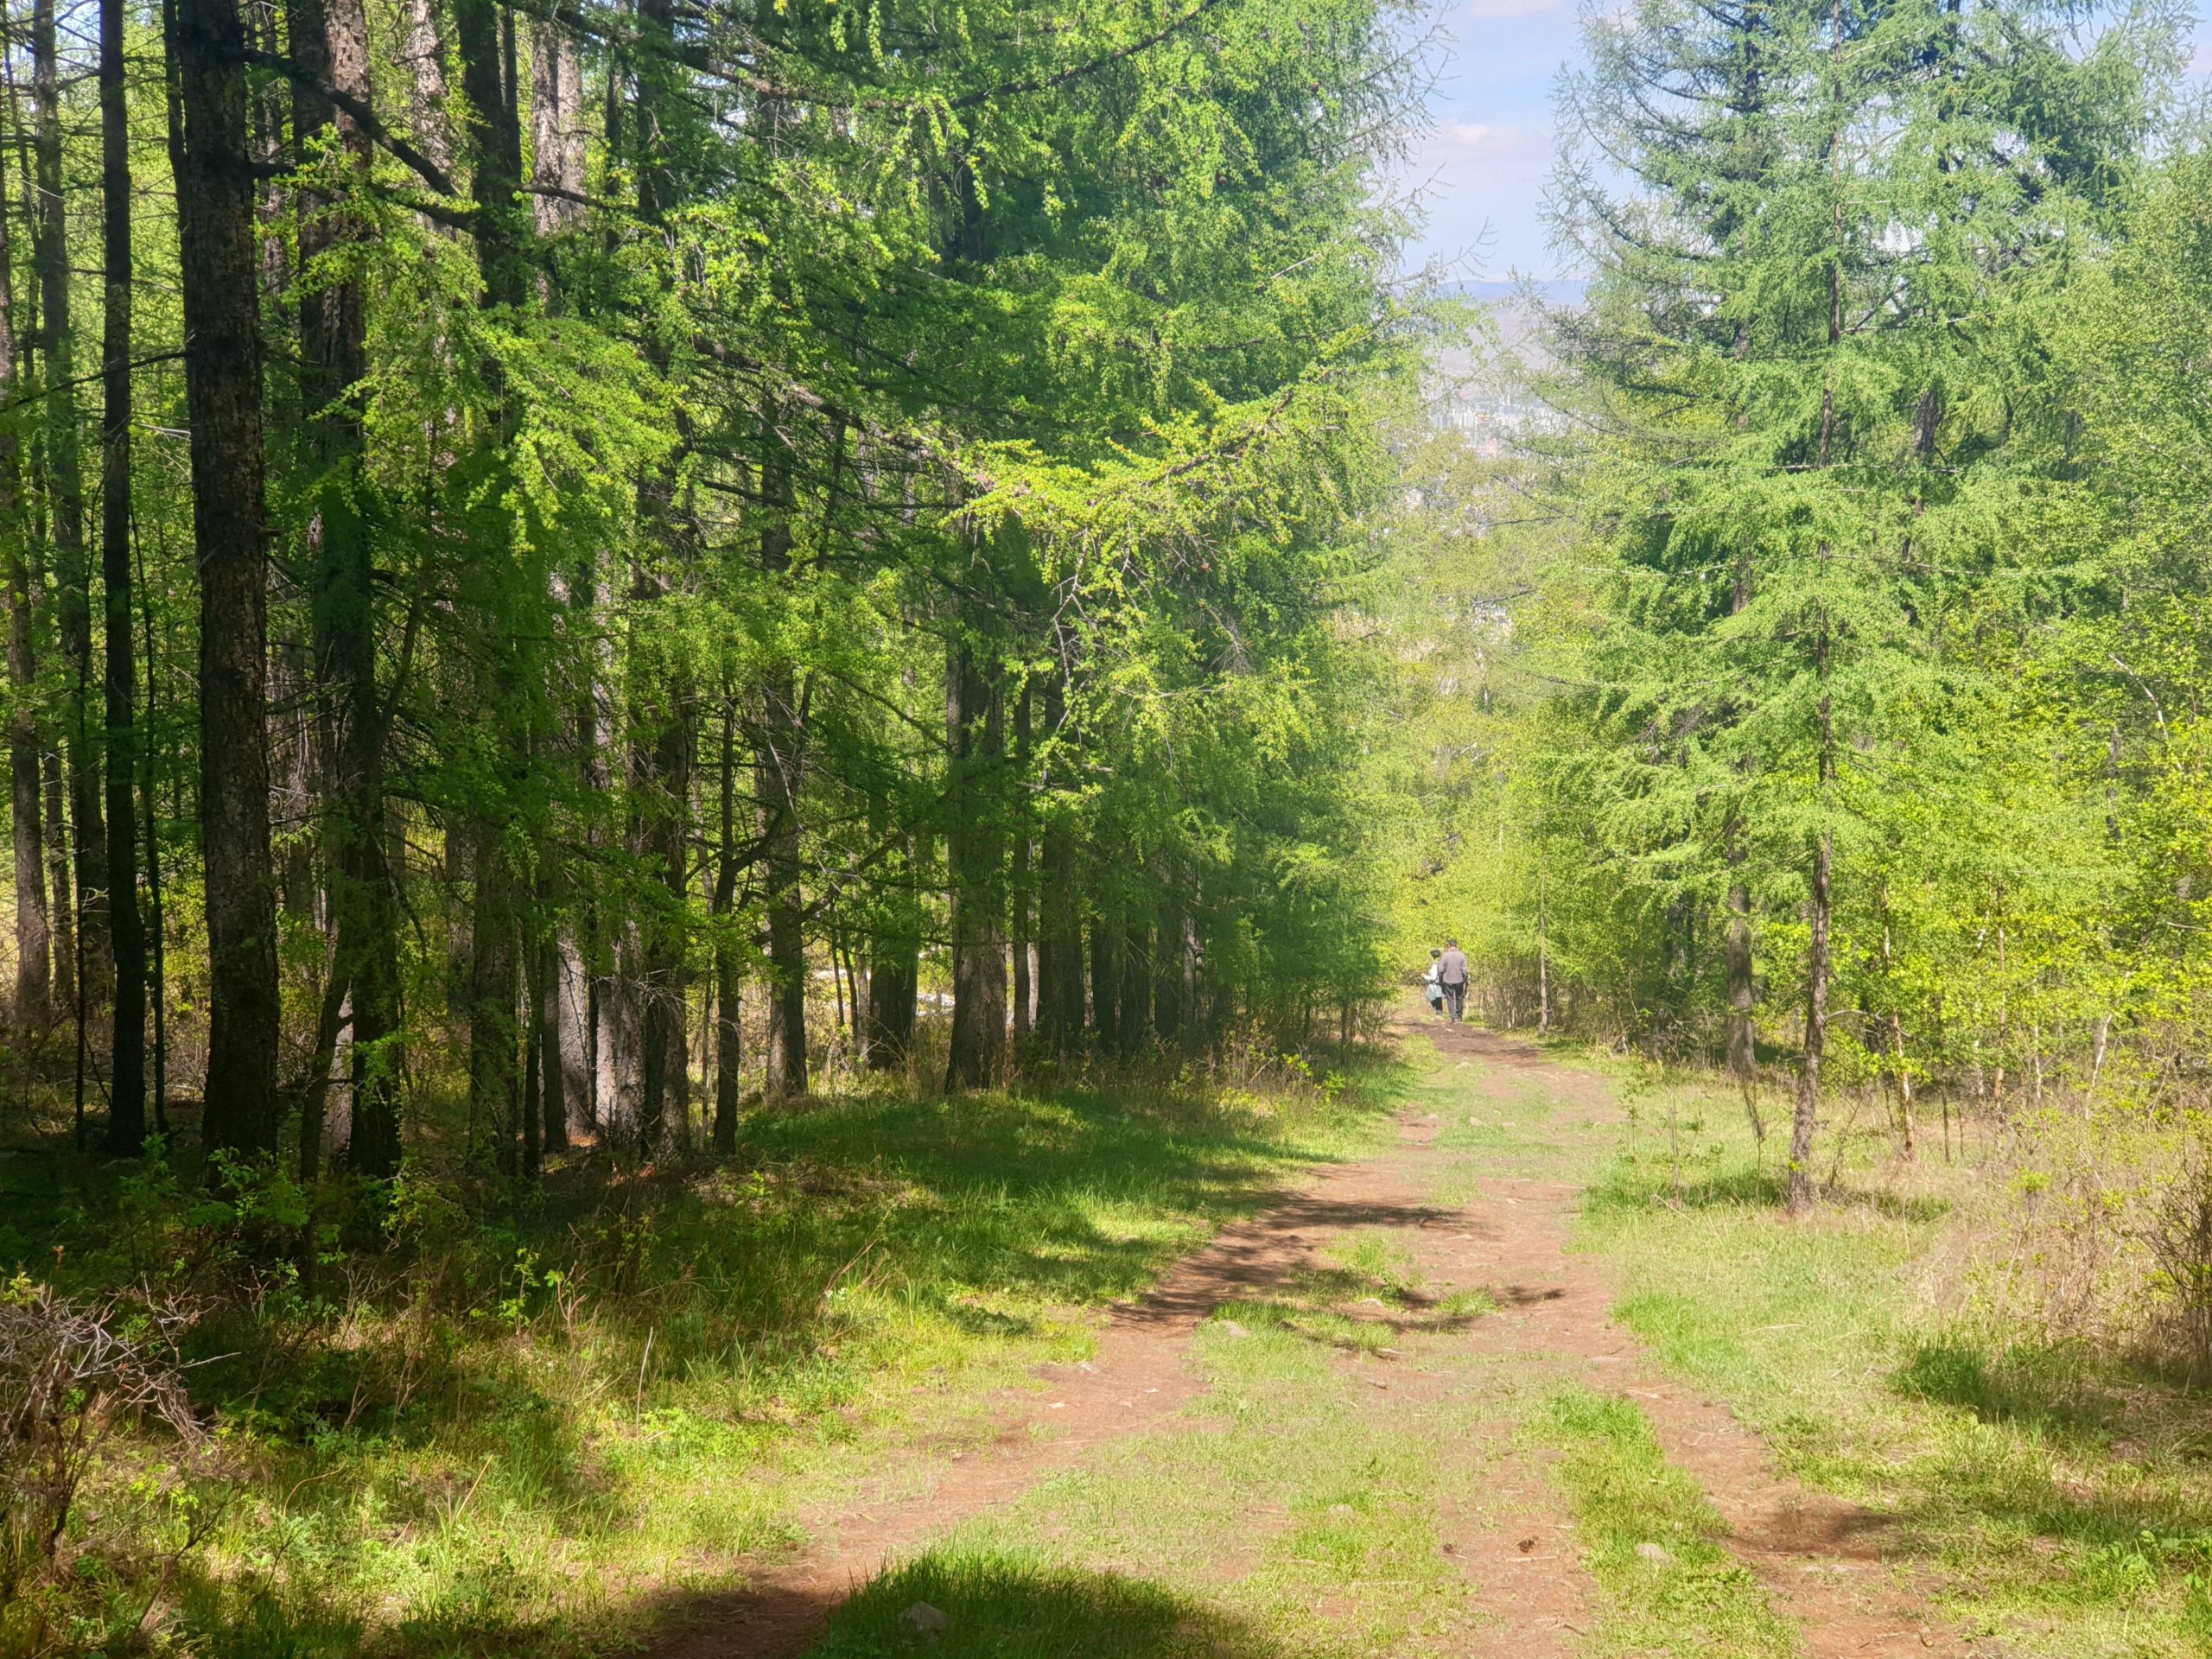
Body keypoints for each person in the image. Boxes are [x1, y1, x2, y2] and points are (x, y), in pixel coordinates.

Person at [1437, 938, 1470, 1023]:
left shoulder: (1445, 956)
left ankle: (1453, 1017)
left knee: (1450, 998)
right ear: (1456, 945)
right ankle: (1459, 1016)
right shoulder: (1462, 955)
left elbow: (1440, 969)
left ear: (1449, 946)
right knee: (1459, 998)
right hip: (1459, 980)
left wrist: (1441, 979)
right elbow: (1465, 970)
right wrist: (1465, 980)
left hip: (1448, 980)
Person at [1423, 949, 1445, 1016]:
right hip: (1439, 984)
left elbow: (1433, 977)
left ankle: (1439, 1014)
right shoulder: (1441, 963)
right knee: (1438, 998)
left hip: (1435, 984)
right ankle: (1439, 1013)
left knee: (1435, 998)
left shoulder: (1435, 965)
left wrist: (1424, 976)